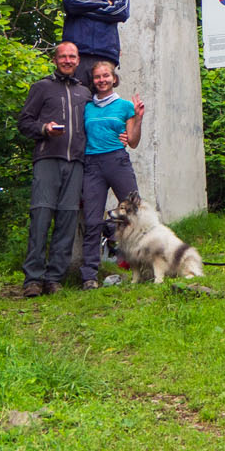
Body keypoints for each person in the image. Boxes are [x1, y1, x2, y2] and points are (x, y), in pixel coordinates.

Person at [15, 42, 91, 297]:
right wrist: (43, 128)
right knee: (41, 217)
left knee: (68, 220)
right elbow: (24, 122)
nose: (68, 60)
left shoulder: (85, 93)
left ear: (78, 60)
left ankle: (54, 279)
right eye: (63, 56)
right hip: (48, 159)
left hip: (76, 163)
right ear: (55, 60)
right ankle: (33, 280)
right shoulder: (42, 87)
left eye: (72, 56)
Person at [77, 59, 146, 289]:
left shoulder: (125, 106)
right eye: (98, 77)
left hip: (117, 161)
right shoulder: (87, 107)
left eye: (106, 76)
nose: (102, 80)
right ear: (93, 81)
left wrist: (138, 118)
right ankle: (89, 275)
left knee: (134, 214)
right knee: (92, 220)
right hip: (92, 165)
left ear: (114, 78)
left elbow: (133, 142)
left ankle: (141, 266)